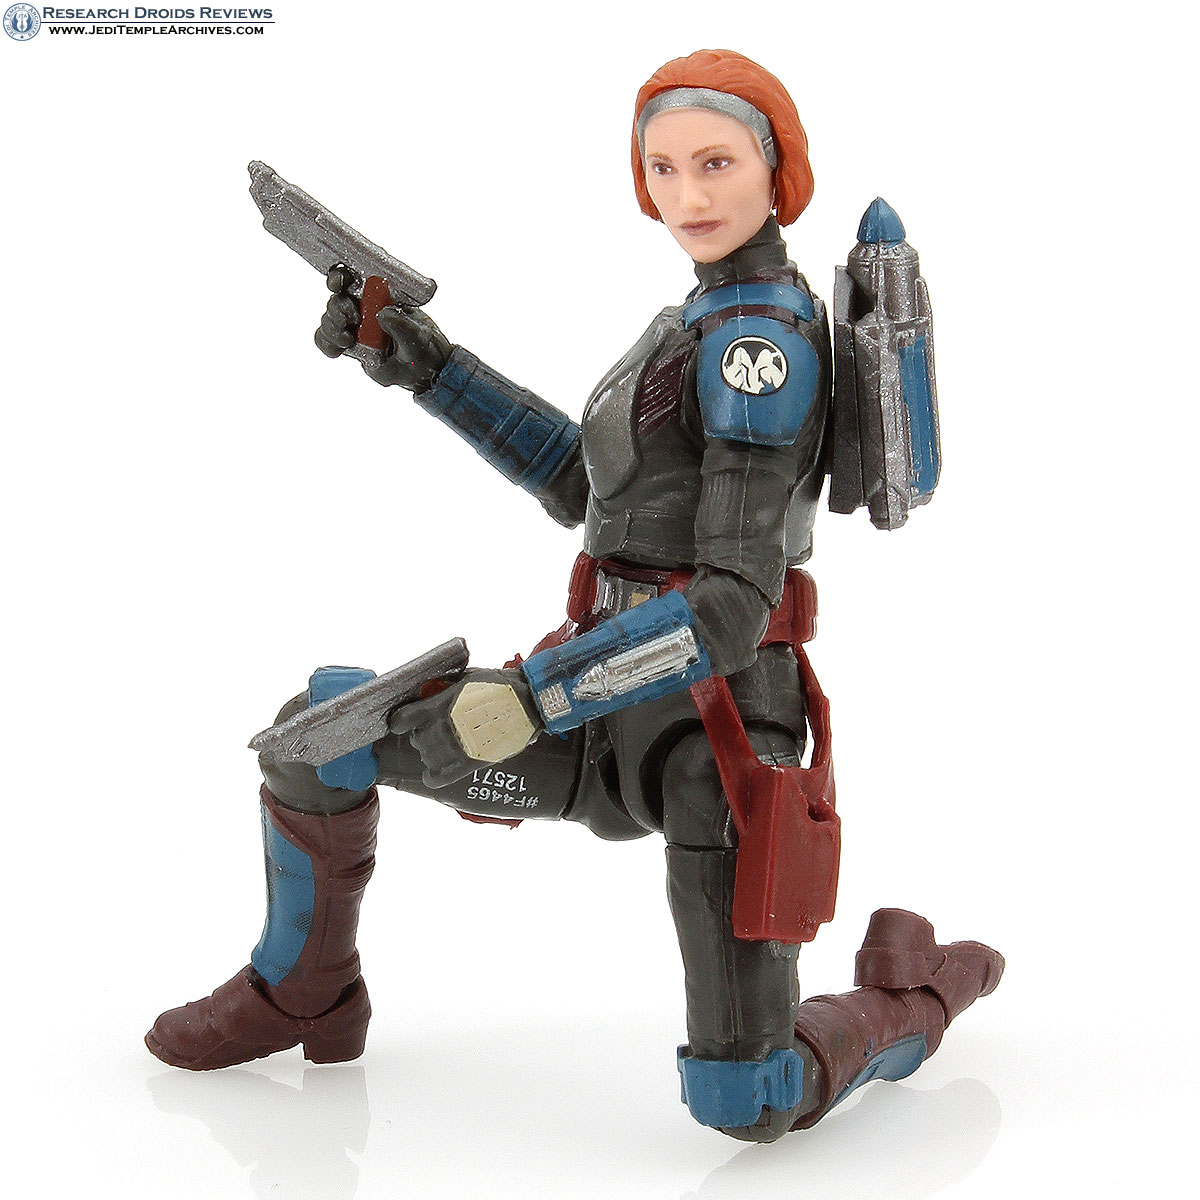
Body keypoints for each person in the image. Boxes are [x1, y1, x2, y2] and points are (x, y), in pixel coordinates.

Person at [147, 49, 1002, 1142]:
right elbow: (586, 489)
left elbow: (727, 608)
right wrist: (429, 367)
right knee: (318, 738)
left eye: (716, 163)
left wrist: (529, 700)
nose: (687, 194)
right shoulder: (696, 321)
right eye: (663, 167)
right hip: (599, 706)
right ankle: (303, 991)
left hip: (716, 736)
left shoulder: (761, 346)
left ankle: (909, 1000)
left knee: (747, 1099)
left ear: (776, 170)